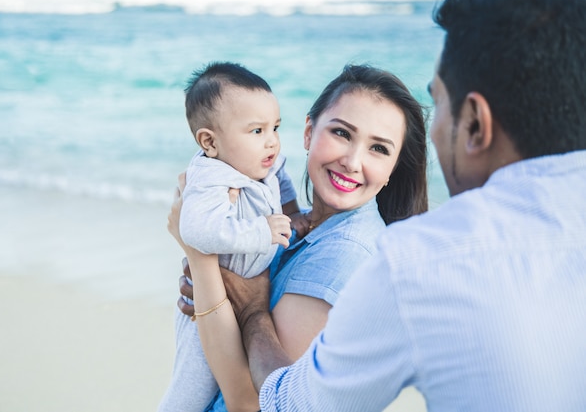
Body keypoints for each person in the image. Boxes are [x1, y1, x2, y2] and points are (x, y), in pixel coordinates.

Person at [201, 0, 586, 410]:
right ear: (309, 131)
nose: (434, 135)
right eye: (342, 133)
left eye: (438, 103)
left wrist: (249, 309)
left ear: (474, 122)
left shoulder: (418, 260)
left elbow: (289, 406)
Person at [169, 64, 429, 411]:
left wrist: (203, 262)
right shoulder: (306, 223)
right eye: (342, 133)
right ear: (308, 132)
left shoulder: (343, 255)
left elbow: (250, 403)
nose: (352, 161)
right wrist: (217, 287)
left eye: (379, 149)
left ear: (392, 170)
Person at [157, 61, 306, 412]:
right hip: (206, 306)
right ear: (210, 141)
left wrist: (294, 214)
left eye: (276, 127)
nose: (271, 141)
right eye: (256, 131)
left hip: (238, 300)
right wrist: (261, 231)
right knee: (192, 388)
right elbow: (195, 230)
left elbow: (280, 178)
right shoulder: (209, 176)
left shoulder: (262, 162)